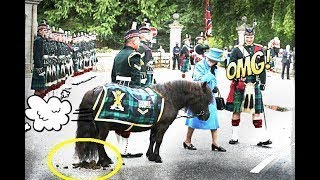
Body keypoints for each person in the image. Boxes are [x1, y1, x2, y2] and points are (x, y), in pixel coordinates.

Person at [225, 27, 272, 146]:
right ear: (244, 37)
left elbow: (262, 69)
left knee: (256, 112)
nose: (249, 39)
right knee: (237, 110)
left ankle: (261, 138)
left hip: (254, 83)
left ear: (254, 37)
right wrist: (237, 77)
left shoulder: (259, 49)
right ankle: (234, 136)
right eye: (247, 37)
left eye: (251, 37)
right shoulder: (237, 50)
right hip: (241, 84)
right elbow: (230, 67)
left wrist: (263, 82)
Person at [183, 48, 226, 152]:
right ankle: (187, 141)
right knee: (193, 119)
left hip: (210, 96)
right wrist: (209, 73)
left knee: (213, 119)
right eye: (212, 59)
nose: (213, 62)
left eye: (216, 60)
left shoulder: (215, 68)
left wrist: (214, 86)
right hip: (198, 95)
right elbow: (198, 80)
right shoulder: (200, 65)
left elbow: (214, 81)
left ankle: (215, 143)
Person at [111, 23, 143, 158]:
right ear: (134, 41)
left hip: (117, 89)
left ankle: (121, 148)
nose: (139, 43)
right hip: (129, 90)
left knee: (119, 120)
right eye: (139, 41)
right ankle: (124, 150)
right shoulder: (134, 56)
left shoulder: (118, 55)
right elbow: (136, 79)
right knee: (128, 121)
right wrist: (139, 94)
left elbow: (113, 75)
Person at [31, 20, 49, 98]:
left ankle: (40, 102)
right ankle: (35, 103)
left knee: (42, 88)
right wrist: (39, 68)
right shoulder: (38, 40)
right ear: (40, 31)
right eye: (44, 30)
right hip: (40, 67)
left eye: (46, 30)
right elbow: (37, 55)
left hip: (43, 65)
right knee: (38, 89)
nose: (46, 32)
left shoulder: (43, 40)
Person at [137, 22, 154, 86]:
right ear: (143, 35)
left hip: (148, 72)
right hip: (144, 74)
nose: (150, 36)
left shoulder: (145, 46)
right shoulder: (142, 47)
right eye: (148, 34)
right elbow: (140, 61)